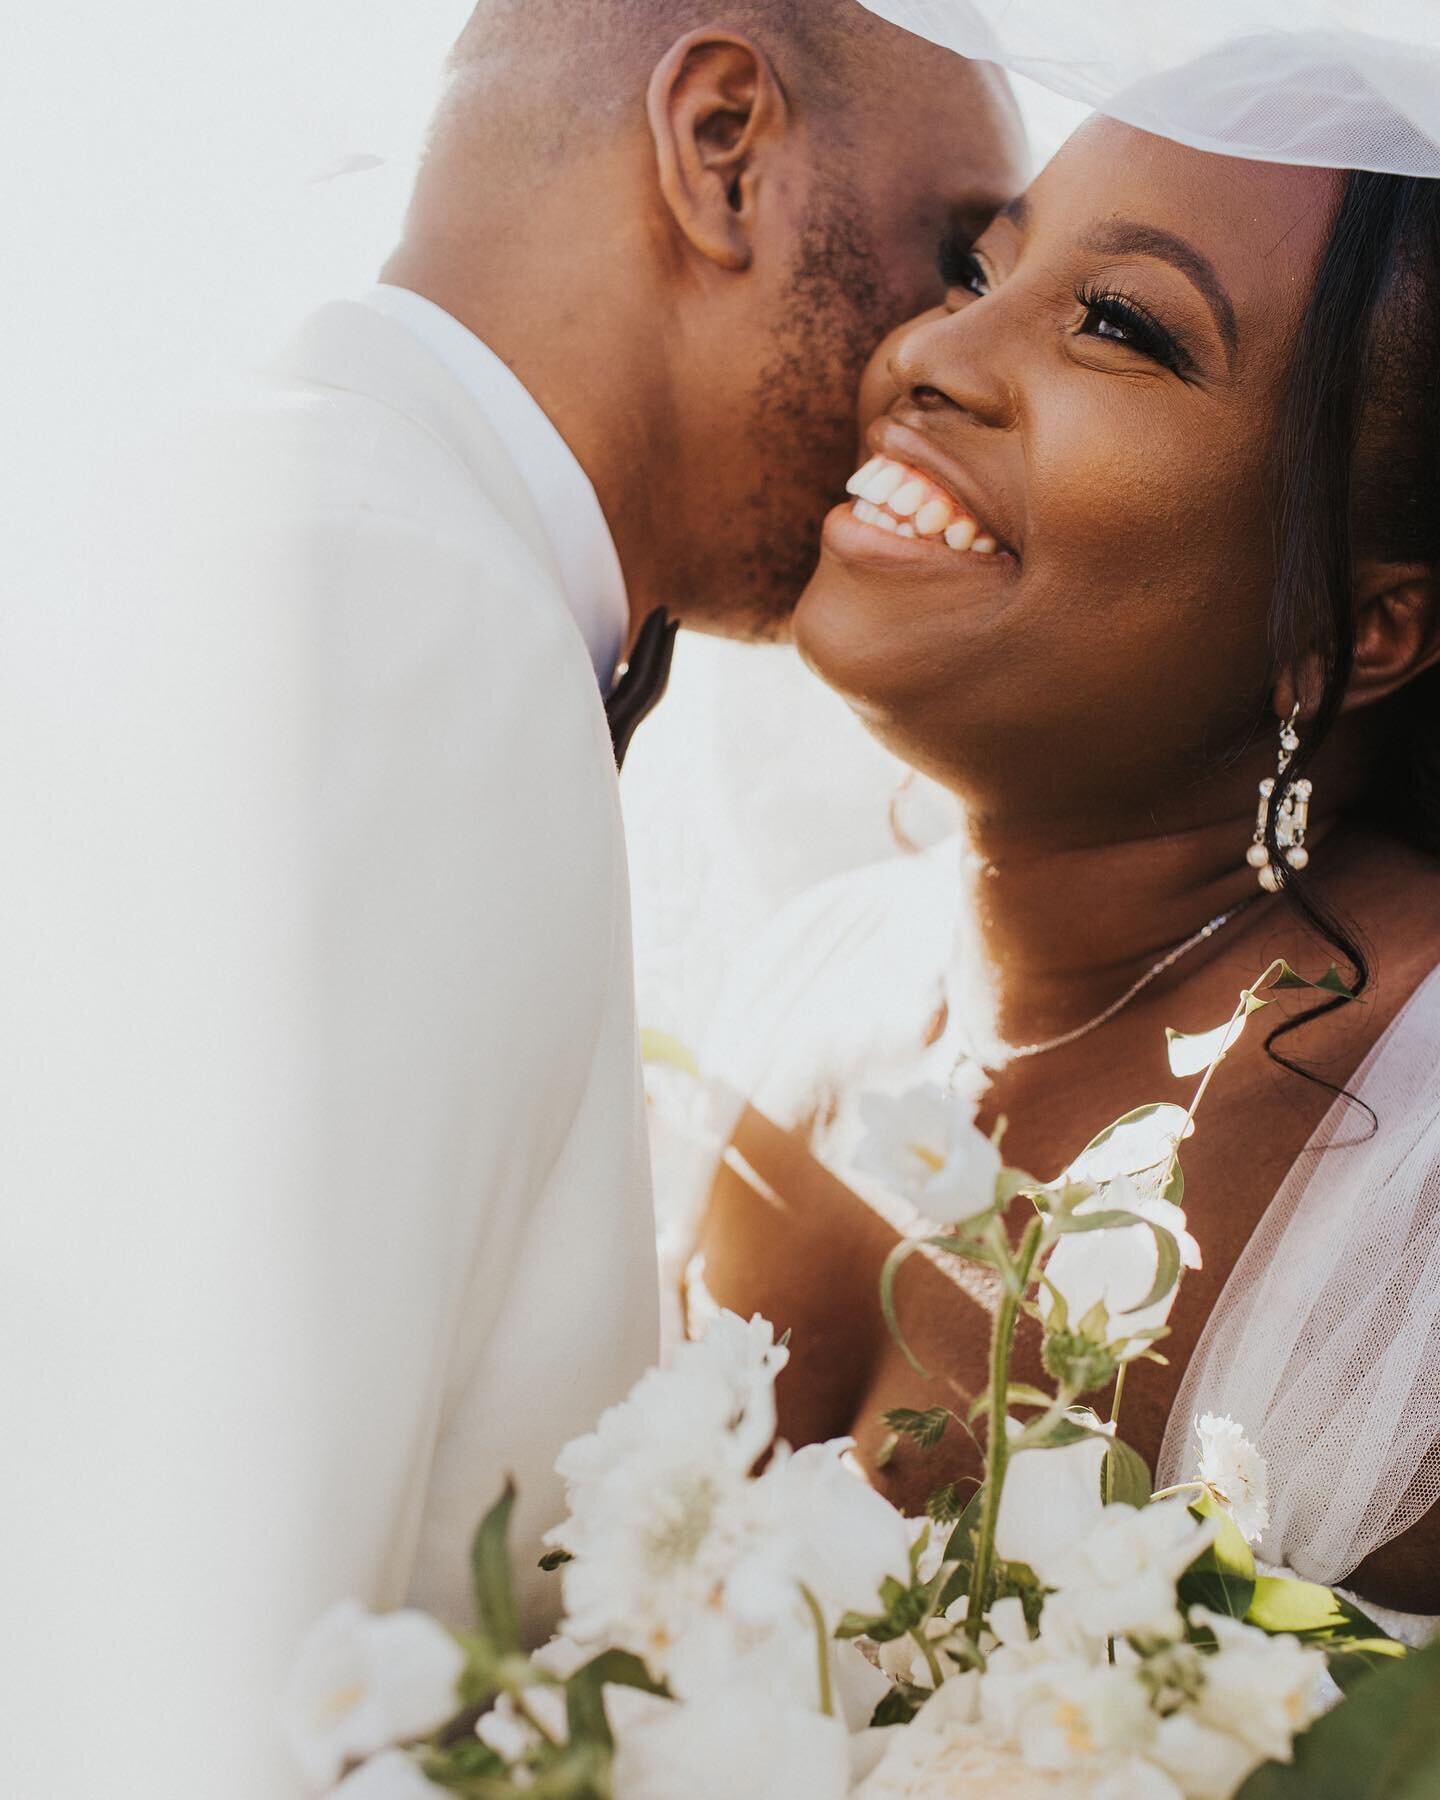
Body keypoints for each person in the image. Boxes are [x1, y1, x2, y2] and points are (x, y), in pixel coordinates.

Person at [184, 0, 1024, 1764]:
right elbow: (199, 1644)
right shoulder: (402, 619)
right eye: (957, 255)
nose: (953, 359)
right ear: (723, 145)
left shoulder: (307, 525)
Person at [683, 73, 1440, 1635]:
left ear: (1356, 631)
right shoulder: (792, 982)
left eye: (1118, 324)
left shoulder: (1417, 1175)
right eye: (980, 269)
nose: (930, 353)